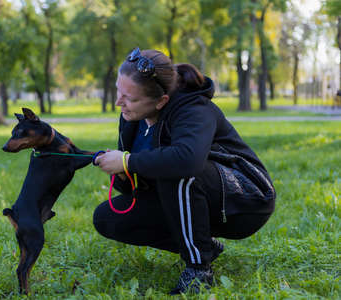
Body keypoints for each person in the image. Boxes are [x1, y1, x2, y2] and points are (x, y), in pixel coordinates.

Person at [93, 48, 276, 295]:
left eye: (130, 98)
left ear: (161, 101)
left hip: (246, 198)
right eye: (119, 91)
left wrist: (129, 161)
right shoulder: (131, 116)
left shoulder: (194, 109)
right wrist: (123, 172)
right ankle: (204, 246)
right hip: (190, 194)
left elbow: (187, 161)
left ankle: (199, 270)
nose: (119, 102)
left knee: (177, 169)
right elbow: (138, 181)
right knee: (107, 218)